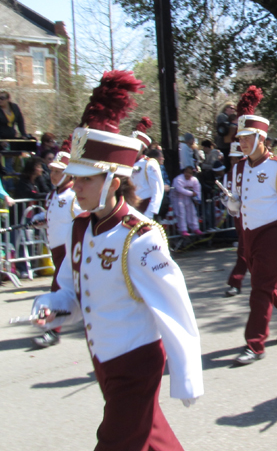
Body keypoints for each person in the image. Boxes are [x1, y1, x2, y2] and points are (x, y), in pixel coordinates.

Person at [31, 70, 202, 450]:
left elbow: (175, 308)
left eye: (85, 179)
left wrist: (187, 374)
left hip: (136, 363)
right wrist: (50, 306)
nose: (76, 187)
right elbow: (70, 293)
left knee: (114, 442)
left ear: (111, 180)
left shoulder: (140, 236)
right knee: (152, 439)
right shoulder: (79, 229)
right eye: (74, 178)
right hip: (103, 359)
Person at [226, 86, 277, 365]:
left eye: (248, 137)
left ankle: (255, 344)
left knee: (260, 287)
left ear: (261, 137)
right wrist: (232, 204)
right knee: (271, 282)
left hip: (275, 232)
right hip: (249, 233)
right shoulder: (238, 168)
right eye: (240, 137)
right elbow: (238, 198)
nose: (243, 142)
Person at [31, 138, 77, 349]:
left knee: (59, 288)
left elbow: (84, 221)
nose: (53, 175)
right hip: (57, 250)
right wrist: (41, 220)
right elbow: (54, 219)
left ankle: (53, 331)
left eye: (58, 171)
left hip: (71, 251)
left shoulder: (74, 196)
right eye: (52, 171)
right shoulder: (52, 196)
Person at [223, 141, 247, 297]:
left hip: (251, 217)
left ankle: (235, 281)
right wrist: (231, 203)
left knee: (244, 251)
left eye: (237, 159)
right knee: (250, 252)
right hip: (238, 218)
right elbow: (226, 198)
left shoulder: (249, 173)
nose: (234, 162)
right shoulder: (228, 175)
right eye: (232, 159)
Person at [130, 117, 165, 220]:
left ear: (143, 147)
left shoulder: (150, 164)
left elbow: (158, 189)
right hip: (131, 207)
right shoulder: (128, 164)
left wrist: (150, 212)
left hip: (145, 207)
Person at [172, 165, 202, 237]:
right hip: (177, 198)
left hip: (188, 198)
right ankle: (183, 229)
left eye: (190, 173)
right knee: (181, 213)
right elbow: (180, 189)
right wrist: (191, 193)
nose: (188, 175)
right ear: (184, 172)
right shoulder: (178, 179)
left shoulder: (194, 180)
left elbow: (198, 190)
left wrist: (198, 199)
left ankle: (195, 228)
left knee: (192, 212)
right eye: (187, 172)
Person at [216, 101, 238, 166]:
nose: (233, 110)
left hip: (229, 144)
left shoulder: (230, 118)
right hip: (223, 144)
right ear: (226, 108)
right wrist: (233, 124)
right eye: (231, 108)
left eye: (234, 109)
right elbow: (224, 127)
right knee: (225, 163)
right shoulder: (222, 116)